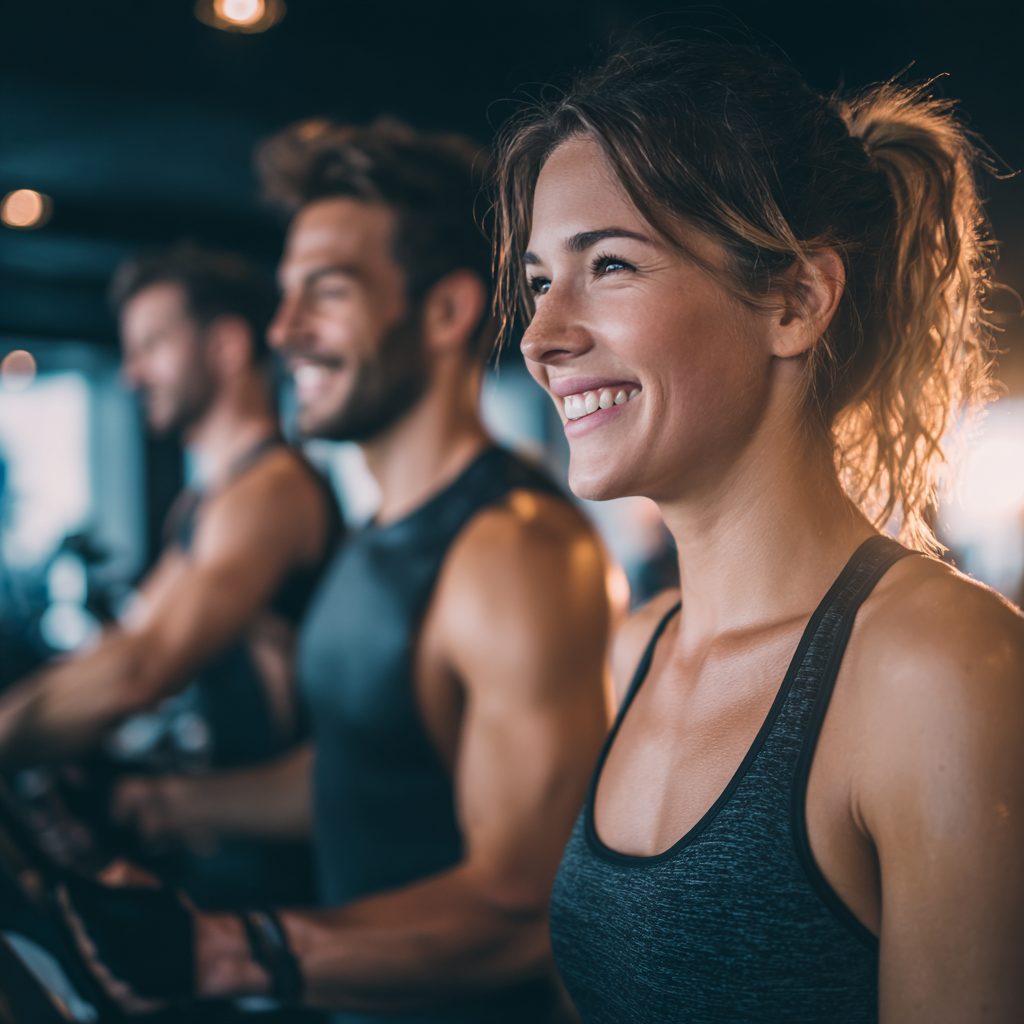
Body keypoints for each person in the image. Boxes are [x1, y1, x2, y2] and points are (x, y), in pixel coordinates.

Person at [491, 41, 1024, 1023]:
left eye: (608, 264)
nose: (540, 334)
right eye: (536, 281)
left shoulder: (940, 664)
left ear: (795, 300)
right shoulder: (635, 646)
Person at [61, 120, 612, 1023]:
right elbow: (355, 774)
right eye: (285, 297)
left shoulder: (516, 551)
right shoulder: (374, 530)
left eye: (327, 293)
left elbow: (526, 910)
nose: (283, 332)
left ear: (443, 312)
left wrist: (228, 950)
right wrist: (168, 802)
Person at [0, 245, 341, 907]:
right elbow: (127, 642)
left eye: (152, 345)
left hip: (290, 873)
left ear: (226, 346)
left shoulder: (271, 491)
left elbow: (140, 671)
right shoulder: (204, 503)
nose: (131, 374)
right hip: (228, 851)